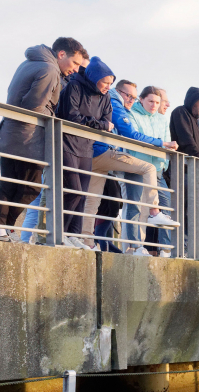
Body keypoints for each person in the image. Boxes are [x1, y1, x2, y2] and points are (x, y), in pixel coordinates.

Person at [0, 38, 88, 236]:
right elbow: (34, 106)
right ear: (61, 54)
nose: (76, 69)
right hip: (27, 138)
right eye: (75, 63)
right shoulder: (49, 69)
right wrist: (53, 118)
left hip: (11, 133)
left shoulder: (30, 62)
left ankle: (5, 228)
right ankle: (4, 227)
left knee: (10, 185)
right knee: (28, 188)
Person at [81, 79, 179, 251]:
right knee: (147, 170)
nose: (131, 100)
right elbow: (130, 134)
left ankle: (87, 241)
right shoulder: (116, 103)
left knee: (92, 201)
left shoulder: (118, 104)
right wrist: (162, 143)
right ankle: (153, 213)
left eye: (133, 97)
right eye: (129, 96)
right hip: (104, 151)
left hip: (96, 153)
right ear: (119, 92)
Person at [55, 56, 114, 250]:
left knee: (82, 195)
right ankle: (60, 233)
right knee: (73, 190)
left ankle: (74, 235)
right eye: (105, 82)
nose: (108, 87)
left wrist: (100, 124)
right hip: (67, 143)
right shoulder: (74, 86)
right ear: (94, 78)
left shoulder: (105, 96)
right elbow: (72, 117)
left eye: (110, 83)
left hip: (87, 147)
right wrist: (100, 124)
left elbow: (108, 121)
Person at [129, 85, 177, 255]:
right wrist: (161, 144)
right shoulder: (132, 113)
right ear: (141, 99)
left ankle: (165, 250)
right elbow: (135, 137)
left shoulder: (162, 119)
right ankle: (135, 247)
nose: (154, 105)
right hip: (137, 167)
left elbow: (167, 142)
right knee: (138, 209)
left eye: (157, 102)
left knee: (166, 206)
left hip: (156, 170)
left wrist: (164, 160)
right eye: (150, 101)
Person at [169, 87, 199, 161]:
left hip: (194, 164)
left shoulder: (198, 123)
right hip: (180, 164)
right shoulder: (180, 112)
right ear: (192, 103)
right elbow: (186, 140)